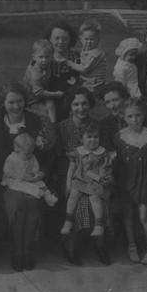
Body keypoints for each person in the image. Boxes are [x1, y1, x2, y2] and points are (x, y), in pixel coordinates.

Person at [0, 81, 56, 272]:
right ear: (2, 103)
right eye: (11, 102)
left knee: (31, 201)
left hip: (33, 177)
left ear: (25, 101)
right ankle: (17, 250)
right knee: (18, 203)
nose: (16, 107)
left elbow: (51, 155)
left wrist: (41, 172)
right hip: (6, 181)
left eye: (20, 101)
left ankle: (27, 249)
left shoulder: (37, 122)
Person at [56, 86, 111, 265]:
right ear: (70, 106)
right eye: (76, 104)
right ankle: (70, 248)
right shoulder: (63, 127)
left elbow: (105, 155)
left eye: (84, 103)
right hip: (71, 174)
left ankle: (101, 246)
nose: (81, 108)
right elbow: (59, 158)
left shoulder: (97, 125)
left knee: (99, 200)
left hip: (95, 174)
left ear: (90, 104)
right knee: (78, 202)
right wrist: (68, 180)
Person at [113, 98, 147, 265]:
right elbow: (116, 162)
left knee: (143, 215)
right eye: (130, 116)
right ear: (124, 117)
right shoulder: (120, 137)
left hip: (145, 182)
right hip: (126, 182)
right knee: (128, 214)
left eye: (138, 115)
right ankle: (131, 246)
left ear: (144, 115)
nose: (135, 119)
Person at [60, 121, 115, 237]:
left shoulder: (102, 153)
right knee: (73, 193)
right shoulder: (78, 152)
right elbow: (71, 169)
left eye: (96, 137)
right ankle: (68, 221)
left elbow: (106, 169)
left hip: (95, 181)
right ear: (81, 139)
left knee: (94, 197)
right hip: (80, 180)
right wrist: (68, 184)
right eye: (89, 137)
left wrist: (102, 178)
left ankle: (99, 225)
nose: (93, 140)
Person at [2, 133, 57, 207]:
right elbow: (7, 171)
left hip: (29, 178)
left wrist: (33, 174)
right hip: (16, 179)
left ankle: (48, 197)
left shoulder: (32, 157)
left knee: (41, 184)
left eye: (31, 153)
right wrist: (18, 175)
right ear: (17, 151)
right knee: (28, 187)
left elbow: (35, 167)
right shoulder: (12, 159)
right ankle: (36, 193)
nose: (29, 156)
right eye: (26, 154)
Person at [44, 20, 80, 112]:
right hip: (49, 102)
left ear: (70, 39)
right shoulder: (44, 58)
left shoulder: (78, 58)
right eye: (56, 38)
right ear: (50, 39)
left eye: (65, 38)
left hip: (73, 104)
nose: (61, 42)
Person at [24, 39, 64, 123]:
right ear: (34, 57)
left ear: (52, 56)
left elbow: (55, 62)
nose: (44, 60)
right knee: (44, 113)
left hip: (43, 96)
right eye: (41, 57)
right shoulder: (35, 75)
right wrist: (55, 94)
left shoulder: (46, 64)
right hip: (32, 99)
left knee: (51, 105)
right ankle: (47, 127)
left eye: (47, 57)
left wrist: (62, 62)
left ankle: (54, 125)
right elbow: (38, 92)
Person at [66, 19, 108, 93]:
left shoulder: (95, 53)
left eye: (92, 39)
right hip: (88, 80)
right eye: (86, 39)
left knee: (86, 96)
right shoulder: (88, 49)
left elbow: (84, 68)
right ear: (81, 39)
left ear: (97, 40)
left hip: (94, 84)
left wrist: (71, 64)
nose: (89, 42)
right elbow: (84, 54)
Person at [99, 82, 130, 151]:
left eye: (115, 100)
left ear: (124, 98)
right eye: (107, 102)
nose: (111, 106)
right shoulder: (104, 124)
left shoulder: (137, 118)